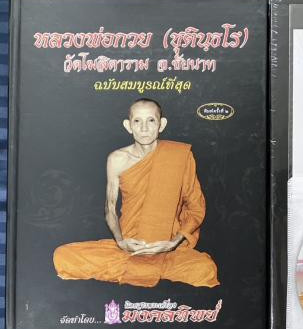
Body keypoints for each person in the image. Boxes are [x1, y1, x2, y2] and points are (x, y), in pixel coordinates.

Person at [53, 98, 219, 288]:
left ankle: (140, 270)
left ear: (161, 124)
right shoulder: (117, 159)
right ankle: (148, 270)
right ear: (128, 125)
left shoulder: (179, 155)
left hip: (167, 248)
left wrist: (173, 243)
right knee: (63, 255)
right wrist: (121, 242)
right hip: (129, 246)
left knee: (205, 269)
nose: (144, 128)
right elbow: (110, 208)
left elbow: (196, 206)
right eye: (137, 121)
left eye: (151, 120)